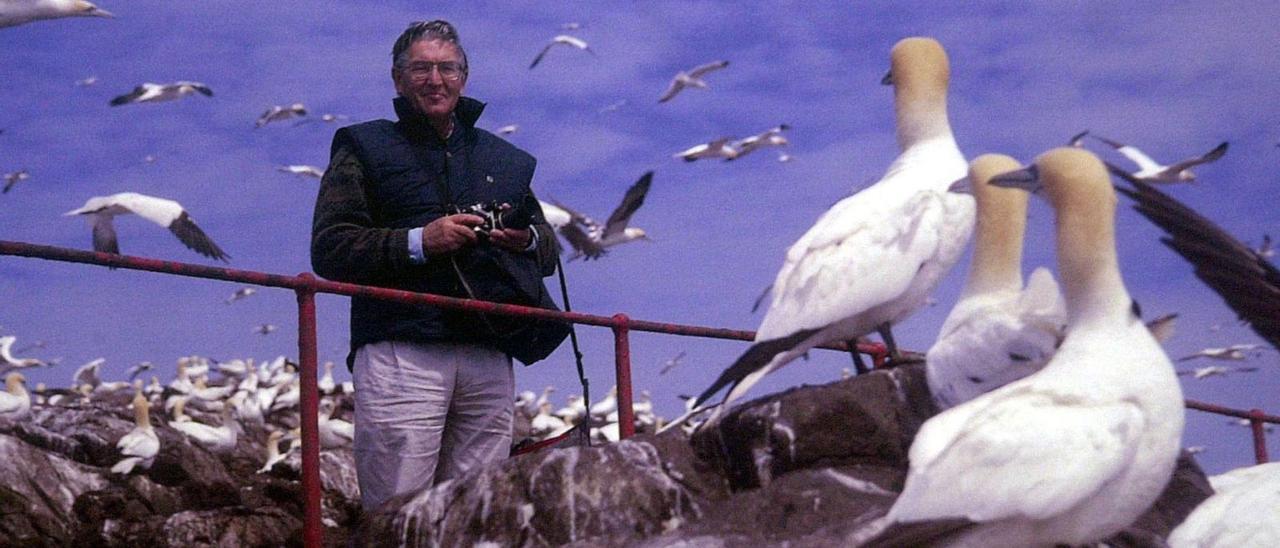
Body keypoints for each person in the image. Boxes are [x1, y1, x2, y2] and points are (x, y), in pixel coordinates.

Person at [310, 19, 559, 512]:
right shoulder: (363, 146)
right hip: (404, 348)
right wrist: (422, 241)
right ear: (397, 78)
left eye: (447, 68)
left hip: (489, 351)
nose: (435, 79)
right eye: (420, 68)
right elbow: (330, 248)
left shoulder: (503, 159)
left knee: (476, 511)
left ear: (464, 77)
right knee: (398, 512)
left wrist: (524, 238)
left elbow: (549, 250)